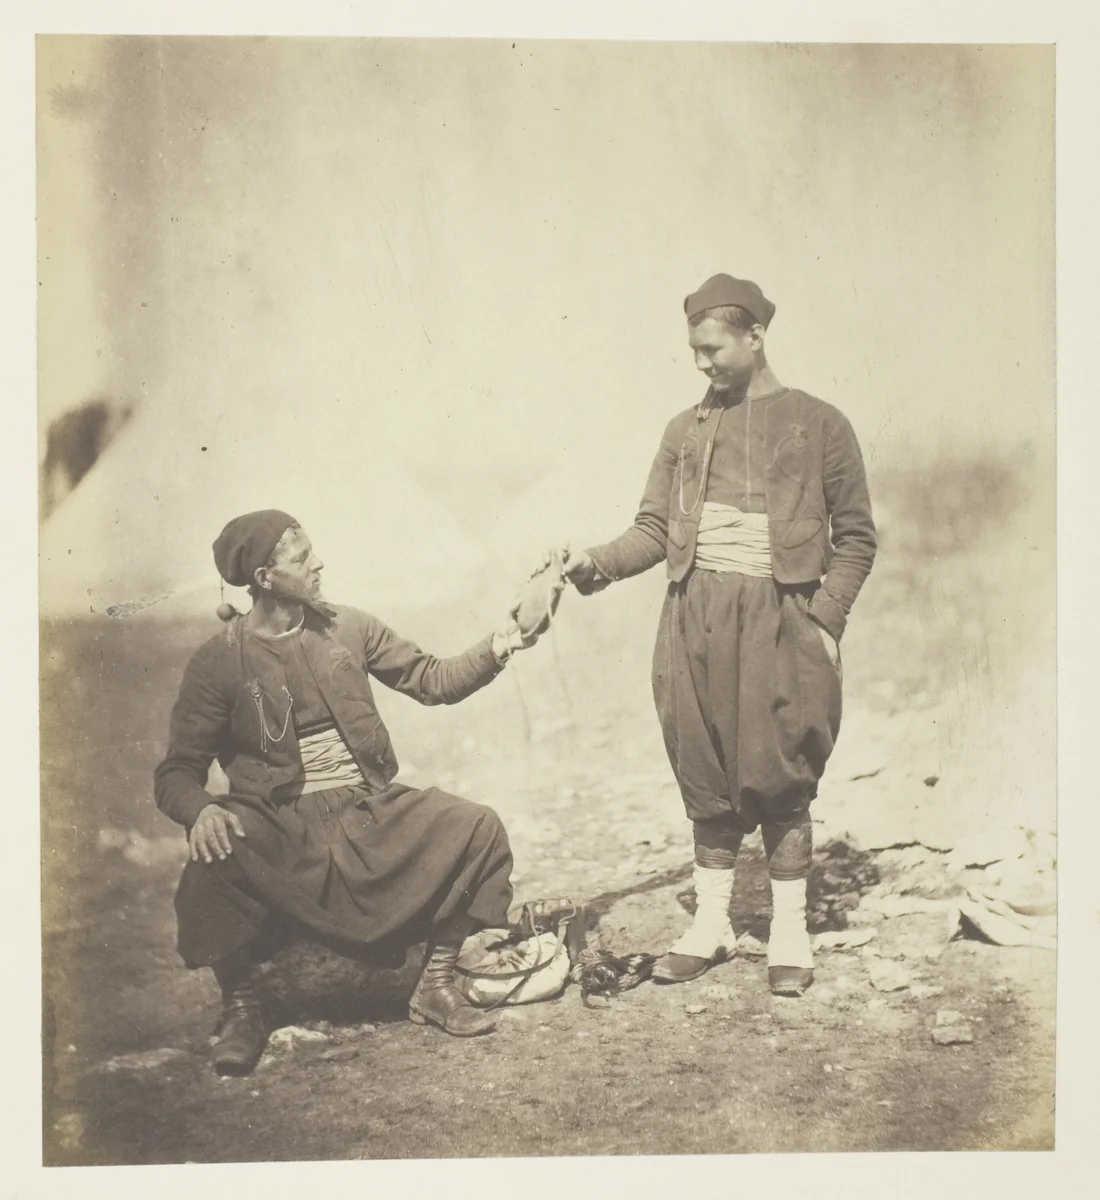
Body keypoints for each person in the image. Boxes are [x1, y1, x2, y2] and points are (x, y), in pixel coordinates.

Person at [544, 274, 876, 996]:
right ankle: (712, 927)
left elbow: (855, 540)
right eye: (693, 352)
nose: (701, 364)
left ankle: (789, 933)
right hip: (692, 620)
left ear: (754, 337)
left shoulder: (822, 424)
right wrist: (591, 563)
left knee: (782, 771)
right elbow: (655, 530)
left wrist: (823, 622)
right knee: (707, 771)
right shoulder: (683, 431)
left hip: (782, 622)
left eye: (712, 348)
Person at [154, 509, 538, 1075]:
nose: (320, 564)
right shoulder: (217, 662)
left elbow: (433, 679)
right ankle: (242, 1007)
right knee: (210, 859)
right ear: (264, 578)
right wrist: (202, 808)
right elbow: (176, 772)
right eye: (303, 557)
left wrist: (508, 638)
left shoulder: (348, 627)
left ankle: (434, 986)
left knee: (476, 826)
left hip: (363, 810)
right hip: (277, 822)